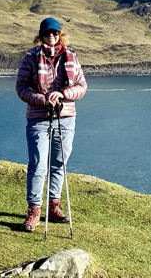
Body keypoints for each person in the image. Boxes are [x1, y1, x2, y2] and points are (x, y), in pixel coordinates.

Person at [15, 16, 87, 232]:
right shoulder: (30, 57)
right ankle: (34, 210)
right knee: (37, 164)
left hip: (65, 117)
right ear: (41, 36)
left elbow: (82, 86)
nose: (52, 37)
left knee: (59, 163)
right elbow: (21, 88)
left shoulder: (71, 56)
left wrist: (62, 93)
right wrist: (43, 99)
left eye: (55, 33)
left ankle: (53, 205)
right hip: (38, 118)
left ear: (60, 35)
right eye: (47, 33)